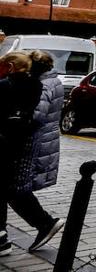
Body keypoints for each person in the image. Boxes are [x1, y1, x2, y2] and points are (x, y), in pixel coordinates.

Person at [12, 50, 64, 252]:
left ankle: (45, 223)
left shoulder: (43, 84)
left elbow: (36, 116)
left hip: (32, 143)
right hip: (41, 141)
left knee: (15, 188)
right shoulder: (54, 80)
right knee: (13, 188)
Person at [0, 51, 41, 257]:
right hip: (16, 142)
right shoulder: (35, 85)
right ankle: (1, 237)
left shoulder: (4, 85)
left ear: (10, 67)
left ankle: (1, 238)